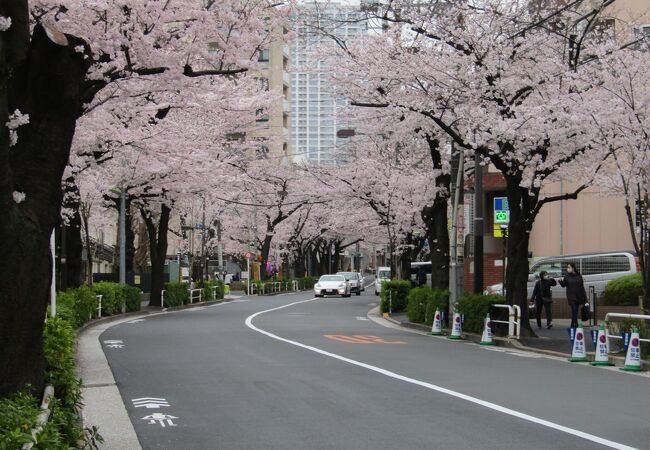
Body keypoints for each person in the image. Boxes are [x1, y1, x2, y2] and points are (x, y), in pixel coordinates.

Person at [558, 262, 587, 329]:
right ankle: (574, 325)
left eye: (569, 267)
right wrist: (560, 281)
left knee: (575, 311)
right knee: (574, 310)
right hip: (571, 296)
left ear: (573, 268)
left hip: (579, 296)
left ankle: (574, 324)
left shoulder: (579, 275)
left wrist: (585, 298)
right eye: (567, 268)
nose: (567, 269)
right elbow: (563, 285)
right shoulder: (567, 276)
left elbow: (582, 287)